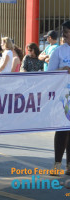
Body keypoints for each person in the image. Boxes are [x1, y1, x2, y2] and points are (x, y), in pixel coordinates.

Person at [48, 20, 70, 175]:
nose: (64, 33)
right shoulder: (59, 51)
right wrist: (62, 69)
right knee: (62, 129)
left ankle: (69, 166)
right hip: (64, 97)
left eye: (67, 30)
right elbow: (49, 74)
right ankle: (57, 164)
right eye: (63, 30)